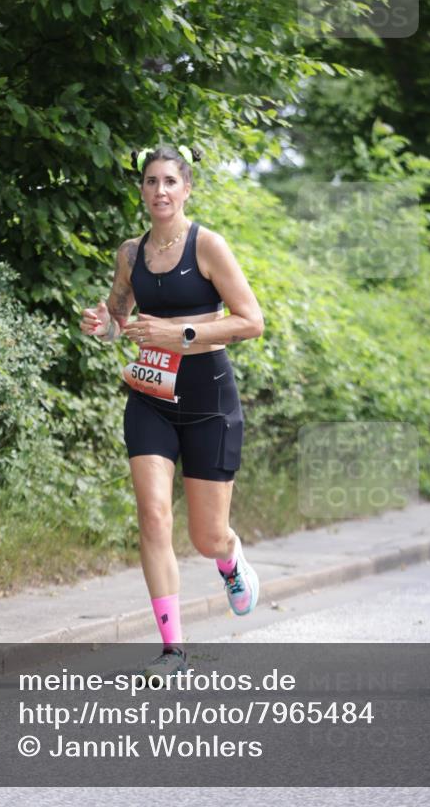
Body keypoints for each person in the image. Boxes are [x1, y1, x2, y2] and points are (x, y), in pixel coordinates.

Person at [80, 144, 264, 683]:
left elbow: (251, 321)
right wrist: (103, 325)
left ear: (186, 189)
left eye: (169, 182)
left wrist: (180, 333)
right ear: (142, 190)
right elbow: (118, 317)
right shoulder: (130, 254)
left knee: (206, 536)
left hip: (208, 400)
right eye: (151, 182)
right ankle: (172, 652)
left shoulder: (208, 245)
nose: (160, 191)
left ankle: (230, 559)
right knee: (154, 517)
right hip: (150, 399)